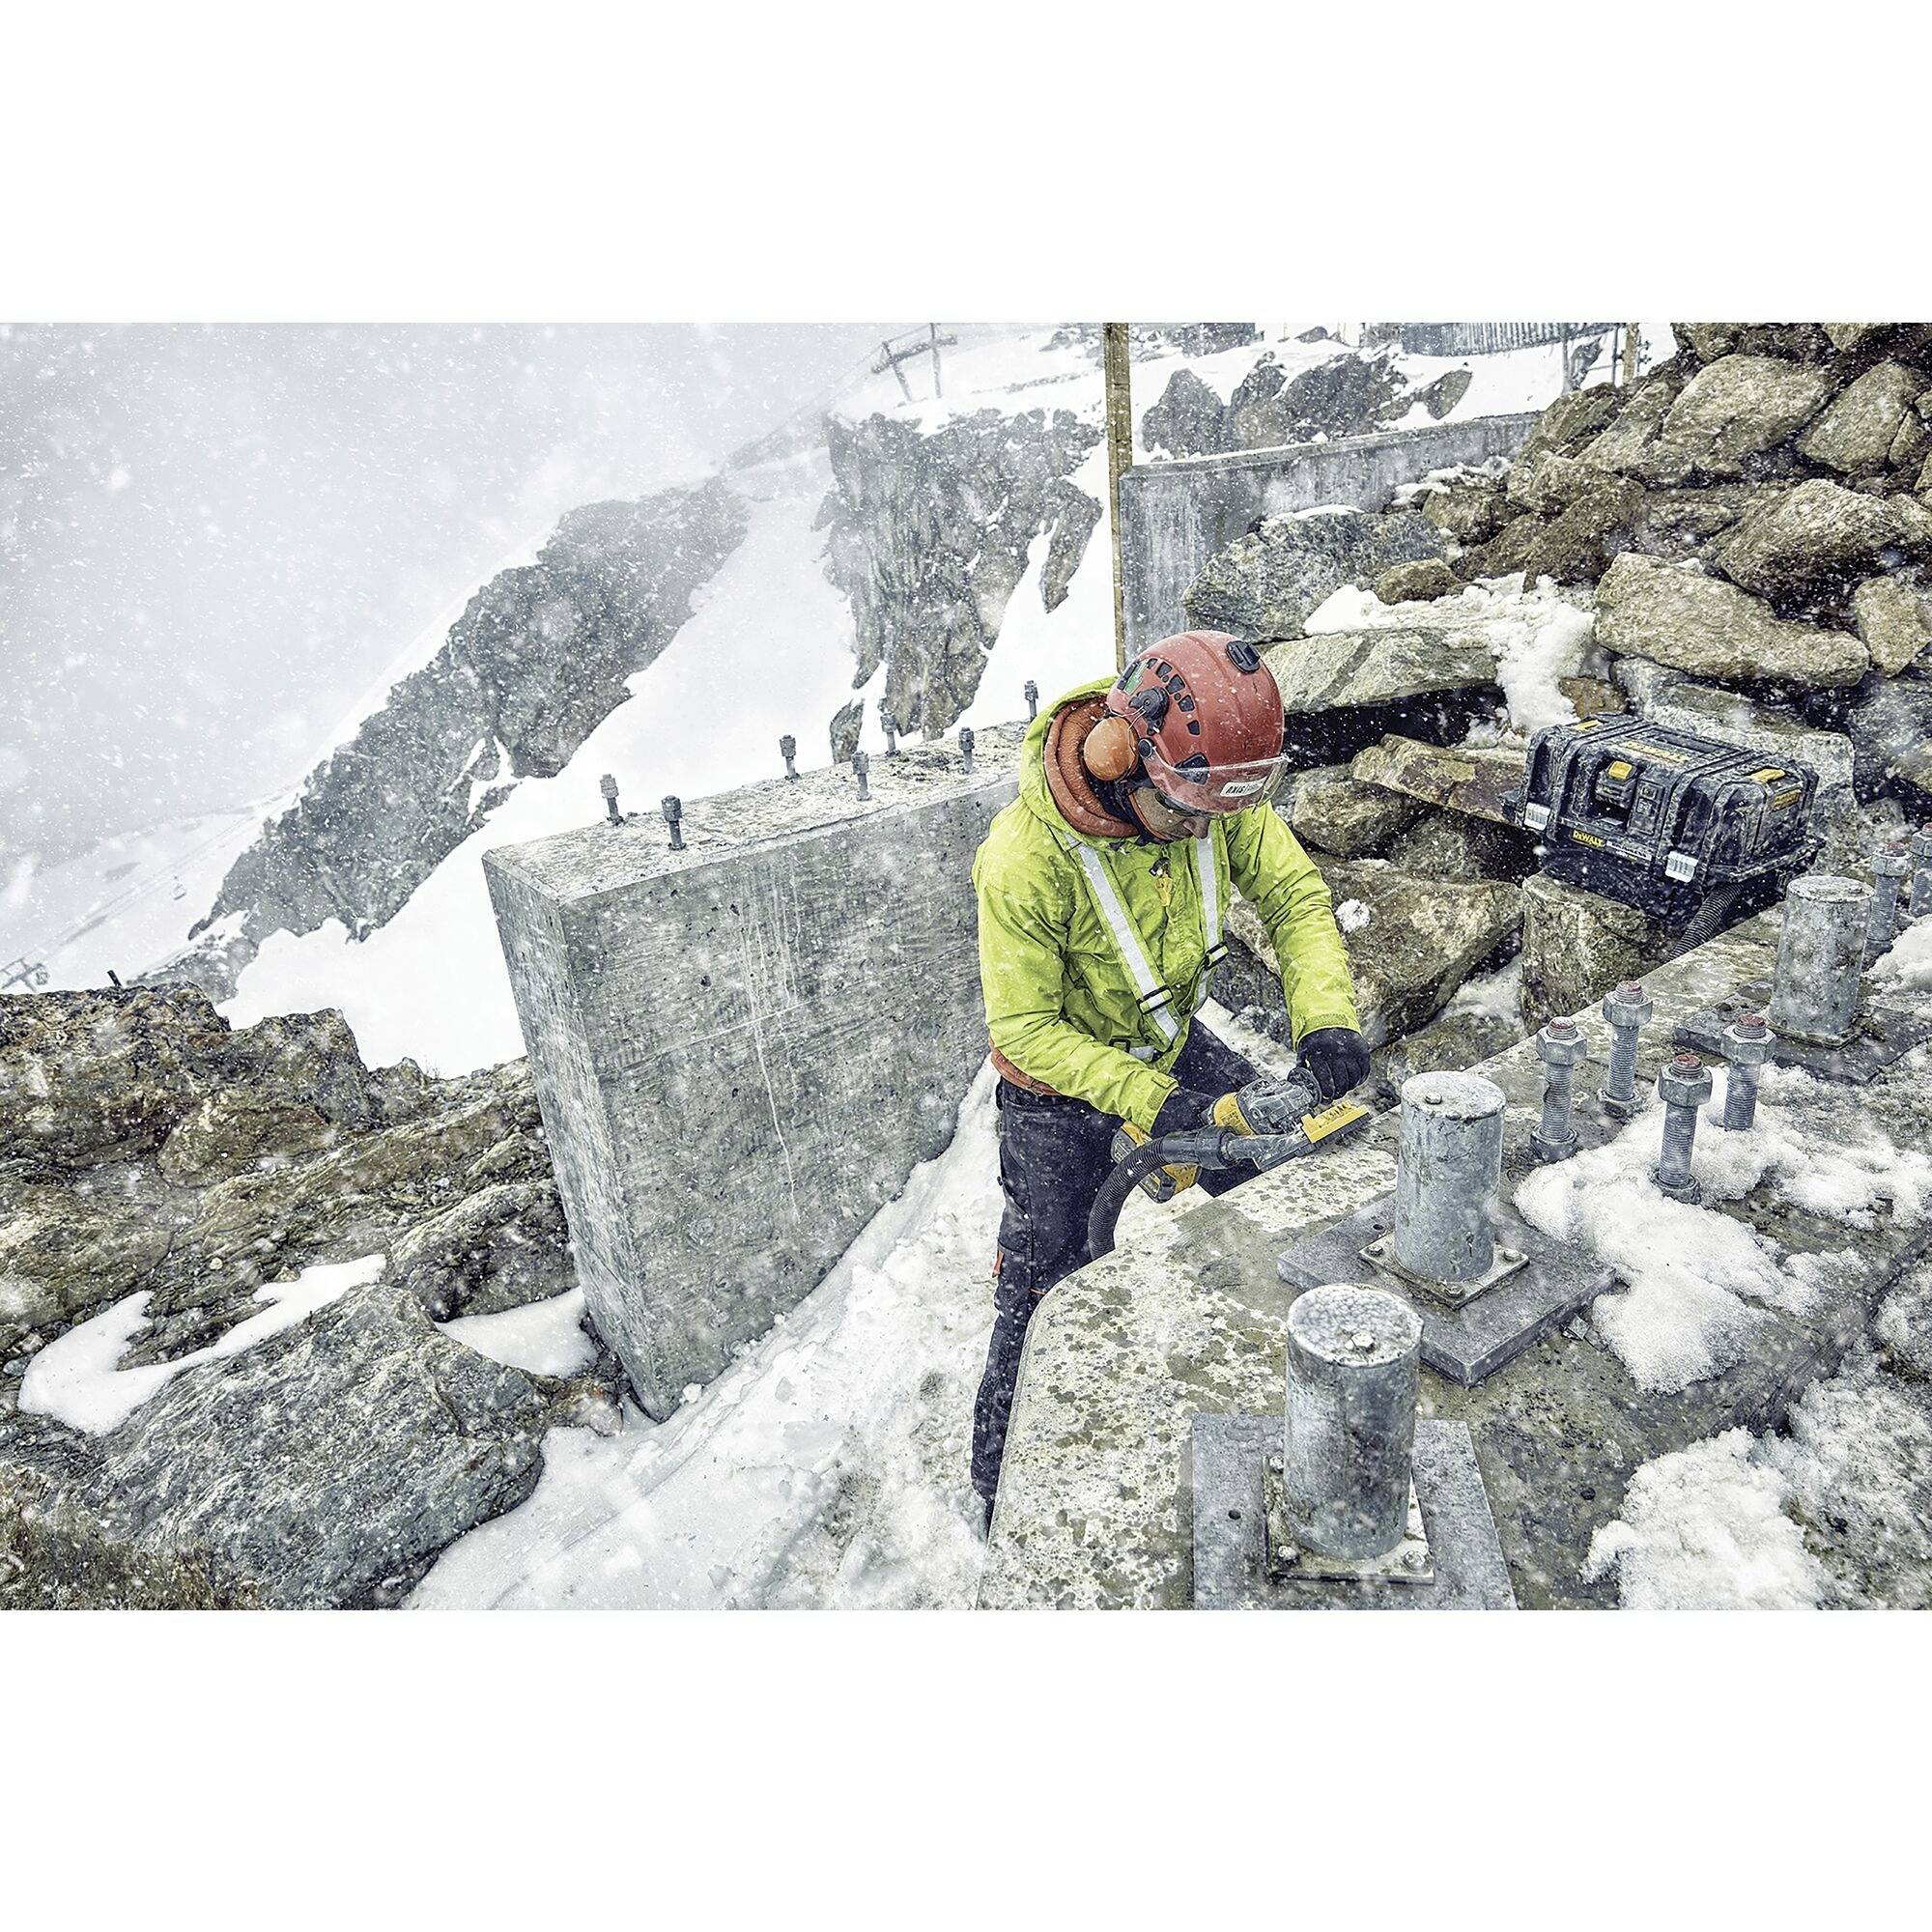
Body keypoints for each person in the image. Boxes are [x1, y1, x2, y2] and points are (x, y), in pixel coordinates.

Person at [968, 631, 1369, 1518]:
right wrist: (1159, 1104)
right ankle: (1000, 1492)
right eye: (1186, 814)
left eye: (1217, 814)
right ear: (1120, 758)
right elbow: (1025, 1029)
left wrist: (1326, 1020)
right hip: (1055, 1090)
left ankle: (1306, 1379)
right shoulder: (1024, 860)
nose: (1204, 831)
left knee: (1287, 1169)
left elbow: (1293, 897)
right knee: (1045, 1293)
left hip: (1166, 1044)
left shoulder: (1208, 791)